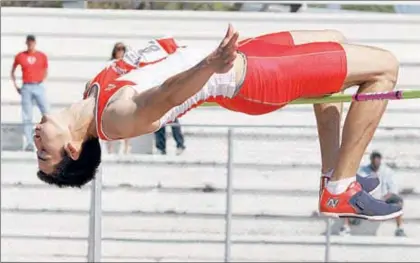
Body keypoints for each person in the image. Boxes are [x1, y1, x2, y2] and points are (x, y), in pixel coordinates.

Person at [34, 25, 402, 220]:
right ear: (72, 148)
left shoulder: (93, 90)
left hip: (245, 56)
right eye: (42, 153)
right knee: (385, 67)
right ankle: (340, 189)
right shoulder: (115, 119)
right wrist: (209, 66)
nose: (36, 140)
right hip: (254, 78)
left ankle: (331, 173)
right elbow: (166, 95)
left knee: (333, 37)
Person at [339, 151, 407, 236]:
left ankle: (400, 228)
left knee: (398, 201)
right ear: (371, 160)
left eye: (378, 159)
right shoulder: (363, 171)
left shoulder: (387, 171)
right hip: (367, 200)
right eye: (374, 159)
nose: (376, 161)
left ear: (380, 160)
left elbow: (393, 189)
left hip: (383, 200)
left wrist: (386, 196)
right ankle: (346, 227)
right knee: (348, 197)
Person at [11, 34, 49, 151]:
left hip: (38, 85)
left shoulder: (41, 56)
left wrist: (42, 79)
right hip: (27, 86)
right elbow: (13, 71)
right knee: (27, 115)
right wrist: (16, 86)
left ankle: (48, 139)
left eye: (32, 42)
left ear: (35, 43)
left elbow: (45, 68)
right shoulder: (20, 56)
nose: (30, 44)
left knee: (46, 112)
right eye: (29, 42)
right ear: (26, 43)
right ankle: (29, 142)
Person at [104, 42, 131, 155]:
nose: (120, 51)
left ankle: (126, 148)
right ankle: (109, 149)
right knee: (109, 122)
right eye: (118, 49)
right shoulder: (110, 64)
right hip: (112, 94)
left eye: (122, 49)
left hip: (124, 94)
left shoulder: (128, 64)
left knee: (126, 122)